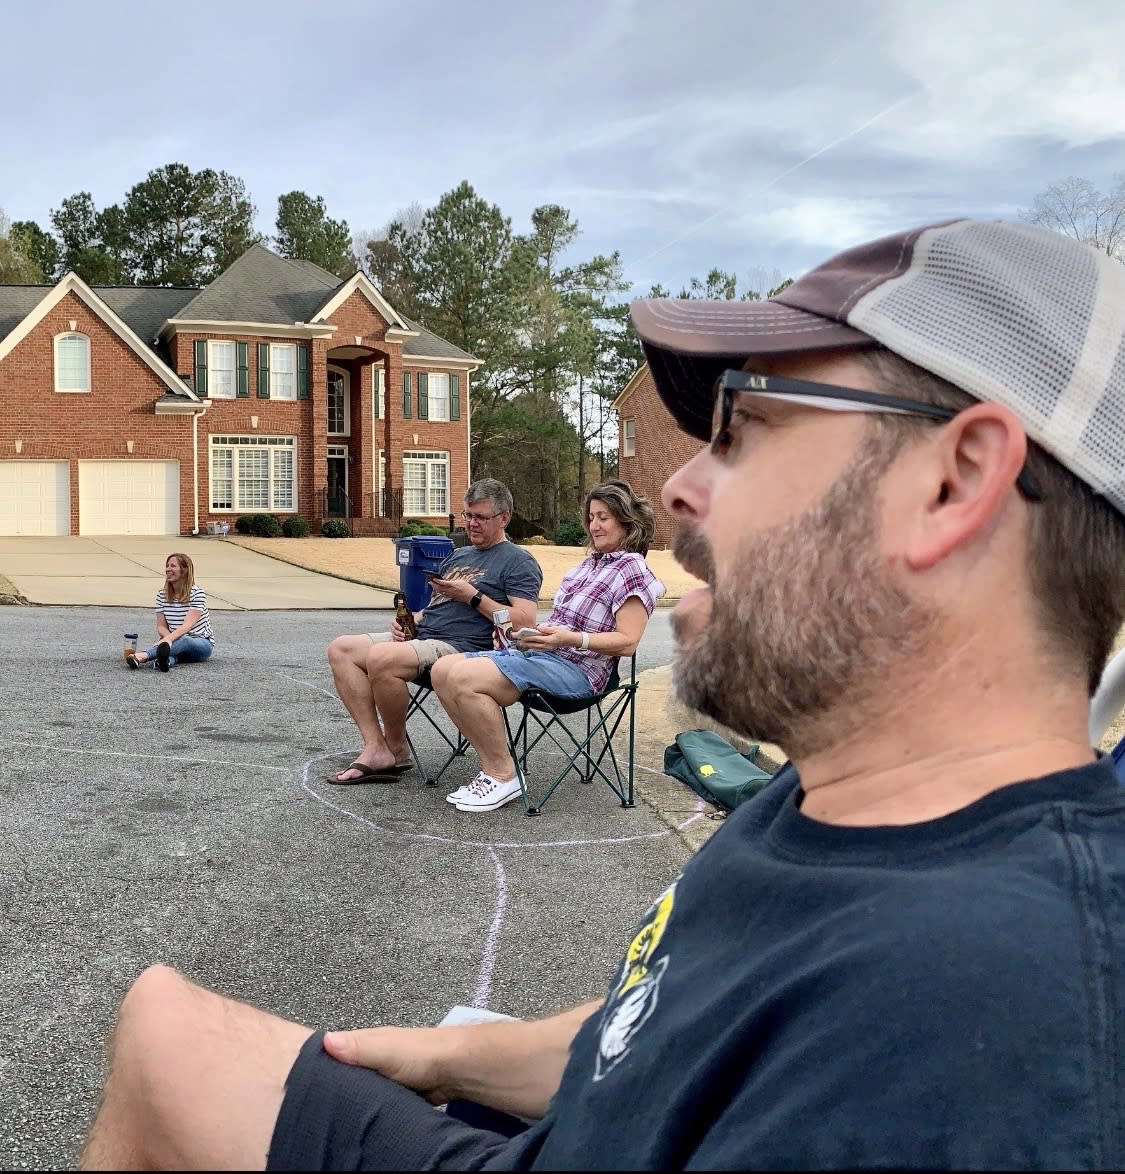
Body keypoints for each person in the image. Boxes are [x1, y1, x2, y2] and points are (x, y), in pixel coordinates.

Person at [80, 219, 1125, 1170]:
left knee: (165, 1034)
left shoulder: (998, 1003)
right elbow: (660, 1022)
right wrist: (452, 1054)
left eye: (744, 427)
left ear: (951, 481)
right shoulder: (836, 812)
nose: (676, 487)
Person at [431, 480, 665, 813]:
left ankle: (504, 775)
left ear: (626, 522)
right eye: (591, 517)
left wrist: (569, 638)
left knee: (465, 678)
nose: (594, 525)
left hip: (580, 673)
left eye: (604, 517)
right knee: (442, 670)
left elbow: (627, 643)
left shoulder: (632, 569)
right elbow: (560, 624)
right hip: (544, 656)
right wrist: (534, 633)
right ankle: (492, 769)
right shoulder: (586, 566)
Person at [325, 478, 542, 783]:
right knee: (341, 649)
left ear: (504, 518)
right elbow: (435, 606)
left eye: (480, 517)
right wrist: (408, 622)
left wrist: (473, 596)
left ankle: (396, 748)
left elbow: (524, 620)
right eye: (467, 515)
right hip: (424, 637)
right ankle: (375, 746)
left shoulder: (518, 561)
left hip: (464, 647)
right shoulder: (459, 556)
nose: (471, 524)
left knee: (383, 658)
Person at [126, 552, 214, 672]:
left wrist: (168, 641)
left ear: (185, 570)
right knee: (172, 652)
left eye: (173, 566)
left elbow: (187, 626)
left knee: (184, 640)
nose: (168, 569)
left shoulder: (197, 593)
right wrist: (168, 642)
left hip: (201, 644)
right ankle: (164, 662)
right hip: (174, 641)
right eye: (167, 566)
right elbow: (161, 626)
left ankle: (142, 656)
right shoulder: (161, 595)